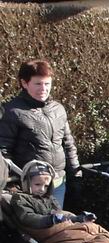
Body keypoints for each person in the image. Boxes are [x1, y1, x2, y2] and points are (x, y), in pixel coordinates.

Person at [0, 59, 81, 209]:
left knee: (56, 226)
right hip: (29, 187)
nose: (43, 88)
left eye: (47, 84)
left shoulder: (58, 109)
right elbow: (4, 152)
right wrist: (14, 182)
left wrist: (76, 175)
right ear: (24, 83)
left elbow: (68, 144)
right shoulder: (12, 112)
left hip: (57, 183)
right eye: (38, 84)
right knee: (34, 230)